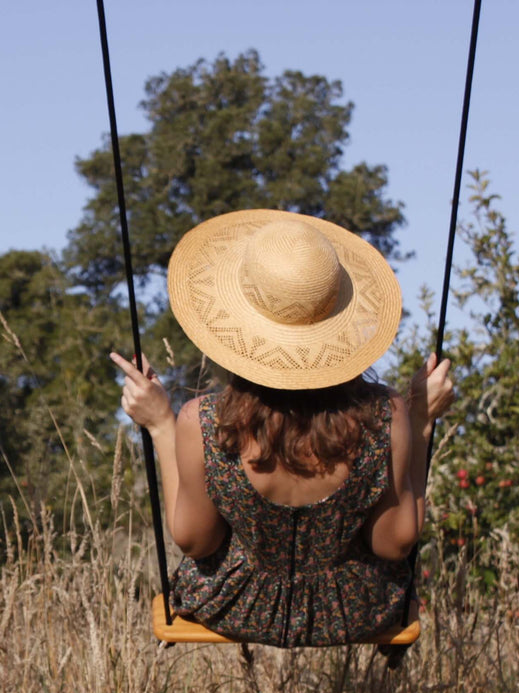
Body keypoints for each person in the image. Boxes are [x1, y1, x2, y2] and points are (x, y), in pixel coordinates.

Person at [109, 210, 455, 647]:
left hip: (234, 606)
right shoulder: (386, 414)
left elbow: (195, 542)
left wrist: (160, 423)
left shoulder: (204, 422)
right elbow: (393, 545)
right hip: (355, 611)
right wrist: (422, 420)